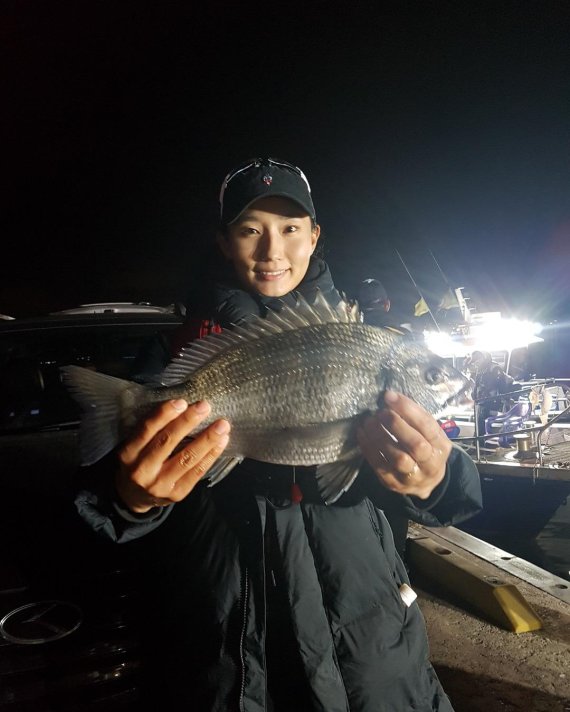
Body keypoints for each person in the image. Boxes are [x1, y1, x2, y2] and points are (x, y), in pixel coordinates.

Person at [75, 157, 482, 712]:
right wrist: (130, 501)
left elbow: (454, 495)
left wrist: (435, 476)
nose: (273, 252)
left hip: (372, 657)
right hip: (231, 664)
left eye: (290, 229)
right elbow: (97, 510)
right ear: (223, 242)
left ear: (314, 236)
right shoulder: (169, 361)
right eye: (250, 230)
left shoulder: (367, 340)